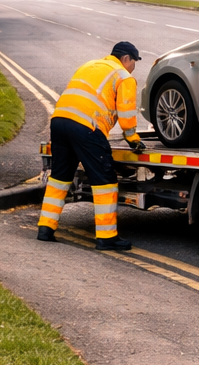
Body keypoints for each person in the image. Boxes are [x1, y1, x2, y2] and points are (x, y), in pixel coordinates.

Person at [37, 41, 147, 250]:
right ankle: (106, 238)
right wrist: (133, 139)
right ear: (126, 59)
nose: (133, 67)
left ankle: (45, 228)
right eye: (134, 62)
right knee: (104, 179)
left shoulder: (90, 65)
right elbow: (126, 114)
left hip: (60, 121)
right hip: (87, 126)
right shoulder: (123, 75)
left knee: (60, 177)